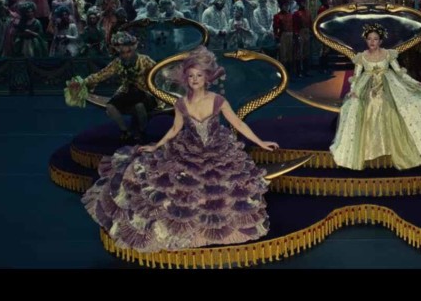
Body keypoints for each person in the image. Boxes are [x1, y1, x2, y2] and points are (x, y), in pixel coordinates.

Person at [81, 46, 278, 253]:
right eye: (191, 76)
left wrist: (260, 142)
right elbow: (175, 129)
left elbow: (238, 123)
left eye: (199, 75)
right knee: (173, 183)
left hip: (218, 149)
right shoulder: (181, 103)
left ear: (206, 77)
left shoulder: (218, 100)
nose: (195, 79)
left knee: (224, 186)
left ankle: (214, 227)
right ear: (186, 78)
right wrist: (156, 145)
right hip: (189, 148)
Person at [330, 23, 421, 170]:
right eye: (369, 39)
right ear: (366, 40)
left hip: (390, 83)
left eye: (375, 39)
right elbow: (356, 77)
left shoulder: (388, 54)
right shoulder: (361, 57)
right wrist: (353, 90)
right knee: (356, 106)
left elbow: (399, 72)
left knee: (414, 104)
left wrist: (414, 82)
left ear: (381, 41)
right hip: (367, 86)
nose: (372, 42)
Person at [64, 32, 159, 142]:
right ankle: (125, 131)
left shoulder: (145, 60)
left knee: (139, 106)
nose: (126, 55)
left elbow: (158, 73)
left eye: (128, 52)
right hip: (127, 91)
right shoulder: (117, 62)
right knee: (110, 107)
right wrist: (83, 82)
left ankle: (142, 132)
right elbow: (101, 75)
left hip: (144, 91)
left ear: (133, 49)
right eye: (122, 53)